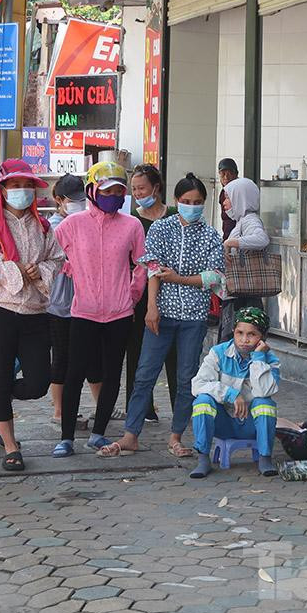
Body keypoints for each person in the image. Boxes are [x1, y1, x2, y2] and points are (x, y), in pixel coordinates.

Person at [100, 173, 226, 458]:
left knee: (185, 378)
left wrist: (180, 279)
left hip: (194, 317)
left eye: (197, 202)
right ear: (175, 201)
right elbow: (153, 269)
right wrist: (152, 307)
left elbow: (215, 277)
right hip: (162, 314)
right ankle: (131, 435)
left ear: (204, 204)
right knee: (144, 374)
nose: (191, 206)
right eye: (185, 201)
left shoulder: (211, 235)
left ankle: (176, 436)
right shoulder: (160, 228)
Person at [0, 159, 64, 471]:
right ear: (3, 189)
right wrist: (10, 270)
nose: (22, 191)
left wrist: (39, 270)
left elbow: (58, 261)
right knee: (3, 375)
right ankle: (10, 446)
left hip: (35, 312)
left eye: (27, 185)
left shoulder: (44, 227)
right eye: (15, 185)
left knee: (38, 382)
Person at [50, 162, 147, 457]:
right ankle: (66, 437)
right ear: (92, 191)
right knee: (74, 372)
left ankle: (98, 434)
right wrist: (70, 269)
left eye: (119, 191)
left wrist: (131, 295)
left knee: (111, 374)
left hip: (120, 314)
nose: (114, 196)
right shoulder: (72, 225)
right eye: (107, 190)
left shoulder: (132, 225)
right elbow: (51, 257)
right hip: (82, 312)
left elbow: (142, 265)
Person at [190, 306, 280, 478]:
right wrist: (231, 394)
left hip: (250, 425)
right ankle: (203, 459)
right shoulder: (218, 353)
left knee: (265, 404)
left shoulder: (270, 360)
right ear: (233, 332)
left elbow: (264, 391)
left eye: (251, 334)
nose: (244, 340)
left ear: (262, 338)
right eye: (239, 333)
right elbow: (198, 384)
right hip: (222, 423)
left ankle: (265, 458)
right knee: (203, 401)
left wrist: (258, 359)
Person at [45, 174, 102, 425]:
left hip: (87, 302)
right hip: (60, 303)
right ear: (59, 200)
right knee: (62, 357)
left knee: (93, 356)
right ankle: (59, 411)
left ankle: (103, 406)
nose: (79, 204)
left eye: (82, 198)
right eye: (73, 200)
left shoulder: (88, 221)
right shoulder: (53, 227)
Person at [126, 163, 179, 422]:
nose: (137, 193)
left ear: (156, 187)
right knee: (137, 351)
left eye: (142, 188)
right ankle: (140, 409)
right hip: (138, 294)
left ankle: (180, 406)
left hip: (174, 291)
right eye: (134, 189)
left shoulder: (175, 214)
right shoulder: (130, 218)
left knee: (176, 354)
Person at [219, 176, 270, 339]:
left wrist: (231, 242)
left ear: (240, 198)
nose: (224, 203)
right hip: (239, 294)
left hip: (243, 297)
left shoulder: (250, 220)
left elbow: (261, 239)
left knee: (238, 342)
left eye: (228, 197)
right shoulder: (242, 221)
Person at [217, 158, 239, 240]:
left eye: (230, 173)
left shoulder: (239, 191)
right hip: (228, 236)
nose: (226, 177)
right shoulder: (223, 192)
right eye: (223, 174)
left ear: (236, 175)